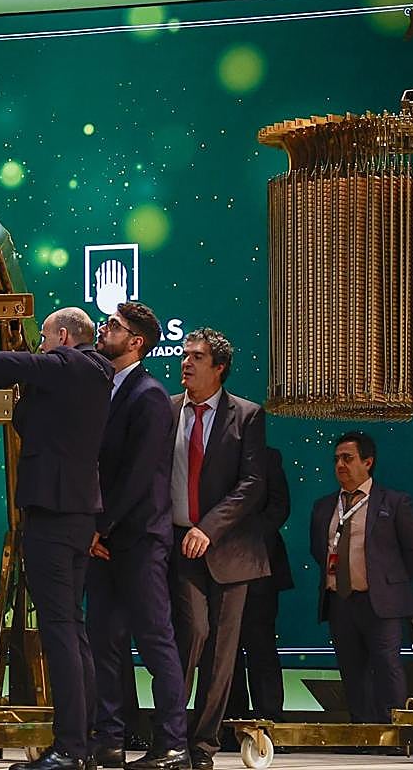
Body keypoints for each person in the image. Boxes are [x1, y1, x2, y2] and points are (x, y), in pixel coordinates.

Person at [0, 306, 113, 770]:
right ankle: (81, 744)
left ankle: (70, 748)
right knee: (71, 629)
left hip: (54, 515)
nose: (39, 346)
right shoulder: (91, 376)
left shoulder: (72, 364)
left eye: (43, 339)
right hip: (77, 514)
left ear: (63, 337)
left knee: (60, 631)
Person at [87, 303, 188, 770]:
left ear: (136, 343)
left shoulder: (148, 395)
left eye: (113, 327)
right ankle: (109, 738)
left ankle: (172, 743)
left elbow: (137, 474)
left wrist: (100, 526)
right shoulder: (102, 388)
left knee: (154, 641)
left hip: (139, 538)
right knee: (104, 639)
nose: (103, 330)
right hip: (105, 539)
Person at [167, 328, 268, 770]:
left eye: (197, 357)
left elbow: (252, 485)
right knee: (191, 634)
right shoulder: (167, 410)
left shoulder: (247, 415)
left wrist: (208, 528)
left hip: (228, 549)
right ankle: (170, 735)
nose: (185, 363)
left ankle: (202, 747)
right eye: (184, 355)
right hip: (177, 544)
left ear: (219, 367)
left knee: (222, 654)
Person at [309, 431, 413, 723]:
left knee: (387, 665)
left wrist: (388, 582)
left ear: (368, 462)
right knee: (351, 668)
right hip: (340, 601)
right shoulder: (324, 507)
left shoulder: (395, 502)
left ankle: (396, 732)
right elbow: (317, 550)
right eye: (336, 459)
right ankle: (362, 730)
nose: (340, 465)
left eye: (347, 459)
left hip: (380, 603)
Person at [226, 446, 293, 724]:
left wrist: (246, 537)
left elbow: (280, 507)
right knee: (224, 650)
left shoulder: (268, 456)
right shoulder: (209, 455)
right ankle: (230, 722)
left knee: (261, 645)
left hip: (260, 566)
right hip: (219, 565)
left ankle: (270, 720)